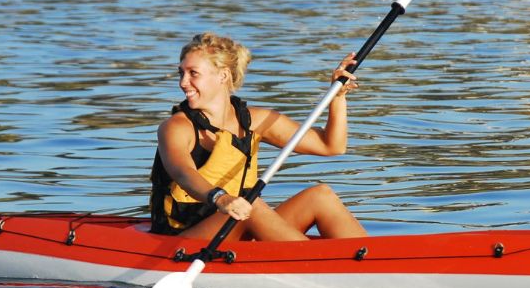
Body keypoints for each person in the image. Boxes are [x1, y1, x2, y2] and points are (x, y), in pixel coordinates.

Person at [149, 32, 367, 241]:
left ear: (223, 75)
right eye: (182, 73)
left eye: (193, 73)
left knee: (321, 196)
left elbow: (331, 146)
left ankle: (371, 262)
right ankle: (323, 266)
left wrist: (337, 96)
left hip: (236, 223)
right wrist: (221, 198)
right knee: (251, 207)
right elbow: (183, 173)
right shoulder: (176, 127)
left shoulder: (257, 120)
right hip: (182, 237)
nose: (183, 82)